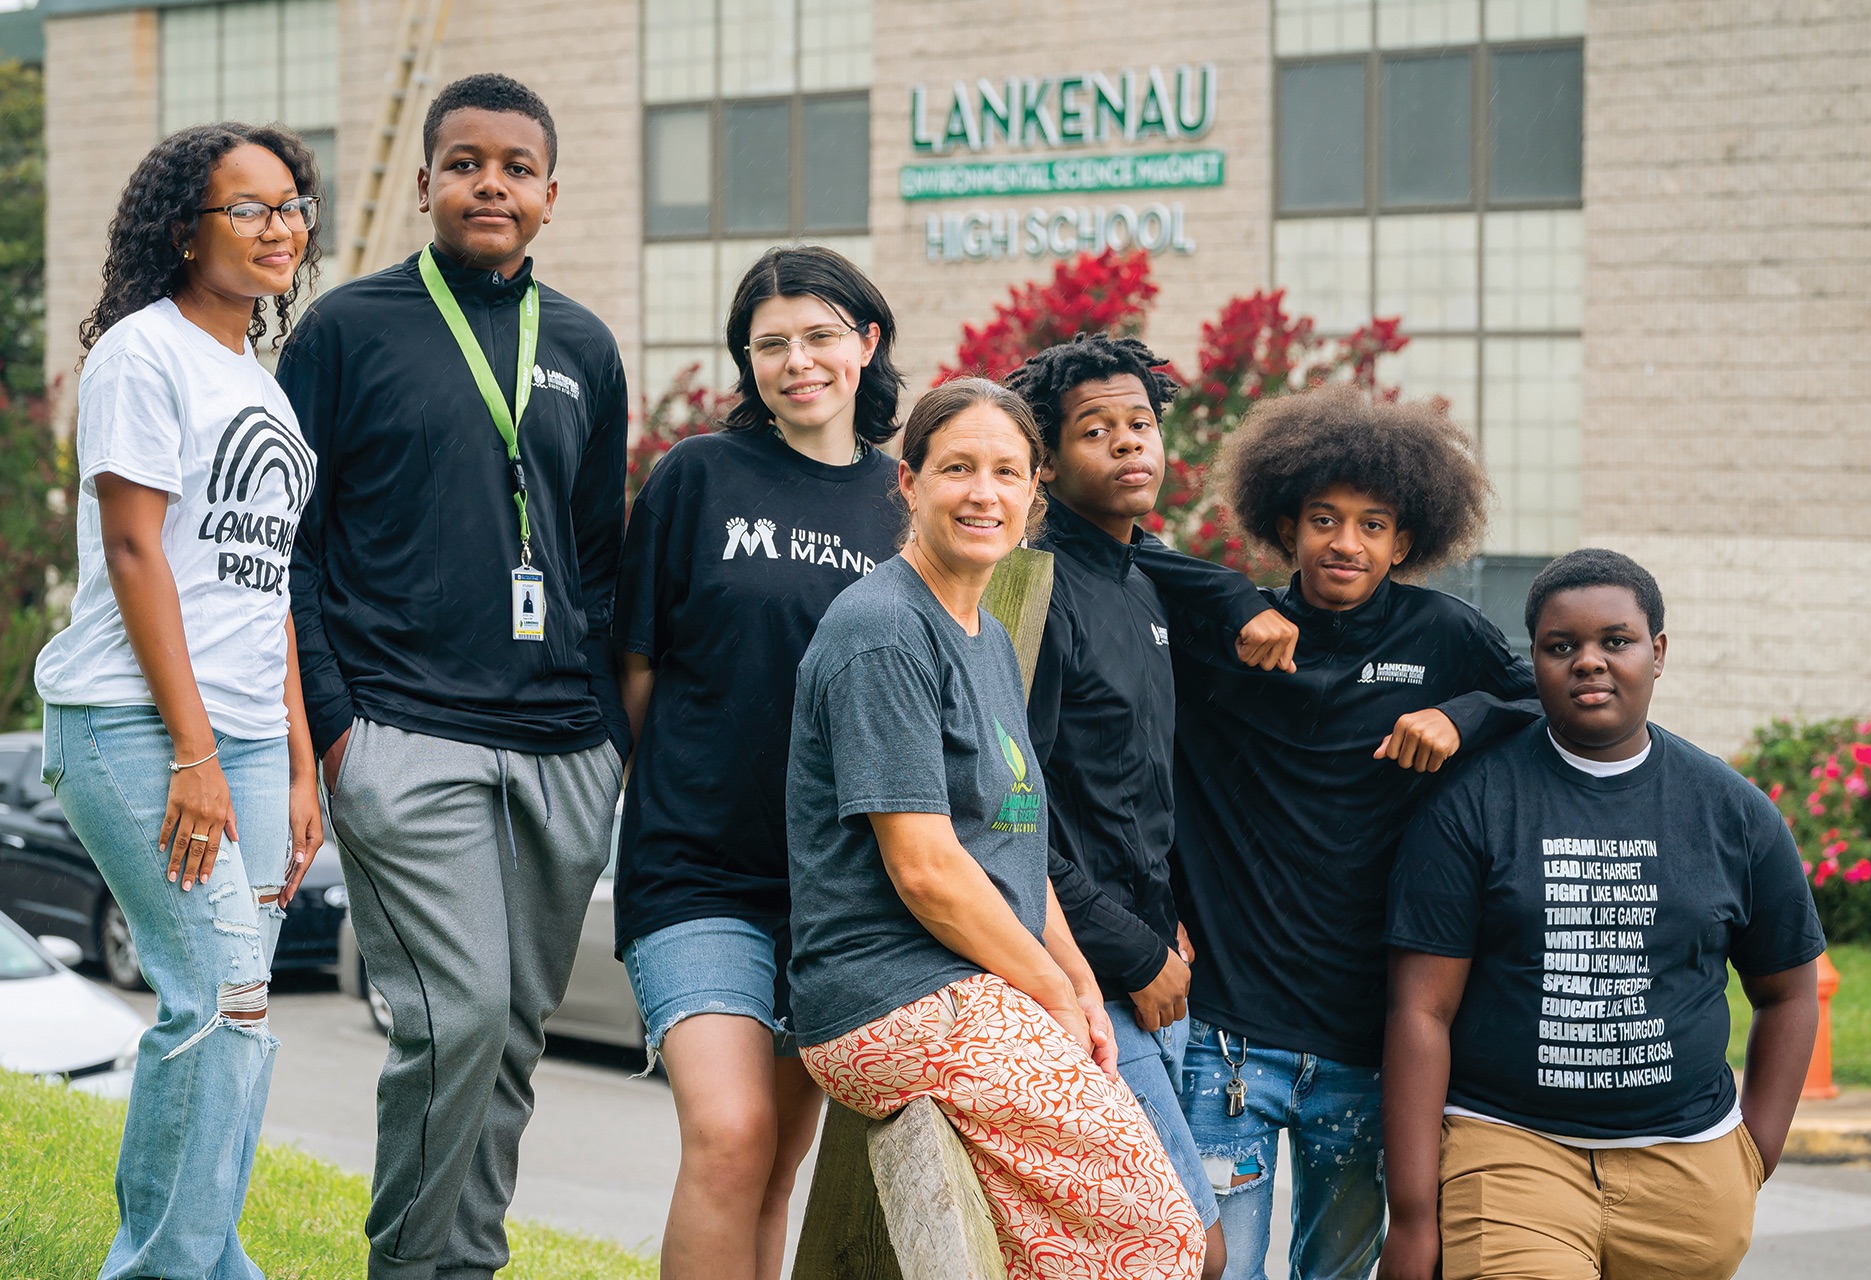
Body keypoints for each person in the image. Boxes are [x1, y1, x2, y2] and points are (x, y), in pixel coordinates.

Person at [278, 74, 628, 1280]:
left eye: (516, 167)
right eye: (466, 163)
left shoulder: (583, 343)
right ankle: (408, 1265)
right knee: (457, 1013)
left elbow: (598, 557)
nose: (491, 184)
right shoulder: (346, 330)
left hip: (564, 743)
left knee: (512, 1033)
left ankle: (465, 1263)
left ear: (549, 195)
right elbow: (291, 547)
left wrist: (610, 735)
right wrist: (337, 725)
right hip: (403, 730)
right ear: (425, 182)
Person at [787, 378, 1206, 1279]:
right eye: (957, 469)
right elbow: (928, 870)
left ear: (1033, 493)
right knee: (1161, 1234)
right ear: (909, 483)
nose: (984, 493)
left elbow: (1013, 844)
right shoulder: (883, 631)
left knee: (1054, 1252)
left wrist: (1079, 984)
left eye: (1007, 472)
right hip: (894, 997)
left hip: (972, 988)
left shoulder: (981, 633)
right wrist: (1049, 994)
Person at [1157, 388, 1539, 1280]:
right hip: (1228, 1039)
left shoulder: (1444, 636)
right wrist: (1229, 596)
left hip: (1369, 1049)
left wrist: (1462, 714)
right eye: (1324, 519)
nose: (1346, 543)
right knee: (1212, 1269)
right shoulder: (1226, 633)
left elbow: (1543, 702)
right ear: (1286, 526)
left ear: (1404, 543)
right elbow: (1107, 550)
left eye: (1373, 526)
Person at [33, 122, 326, 1280]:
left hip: (249, 738)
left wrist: (297, 763)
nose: (278, 226)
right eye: (248, 207)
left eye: (291, 204)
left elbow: (268, 589)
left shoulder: (261, 386)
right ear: (183, 230)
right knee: (214, 995)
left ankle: (208, 1255)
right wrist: (197, 753)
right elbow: (133, 549)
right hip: (136, 723)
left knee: (240, 1013)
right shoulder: (141, 354)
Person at [1380, 549, 1823, 1280]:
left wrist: (1753, 1153)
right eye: (1561, 646)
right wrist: (1412, 1215)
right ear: (1534, 661)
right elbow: (1421, 1011)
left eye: (1616, 641)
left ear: (1658, 653)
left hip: (1687, 1169)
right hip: (1511, 1150)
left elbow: (1789, 991)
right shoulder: (1473, 804)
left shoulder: (1732, 811)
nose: (1589, 661)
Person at [612, 244, 904, 1279]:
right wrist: (684, 790)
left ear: (867, 343)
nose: (798, 361)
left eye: (820, 336)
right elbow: (636, 668)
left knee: (777, 1161)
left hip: (838, 890)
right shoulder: (699, 476)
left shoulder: (905, 503)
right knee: (729, 1136)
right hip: (696, 870)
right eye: (770, 344)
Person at [1006, 333, 1243, 1279]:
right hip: (1089, 974)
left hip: (1160, 965)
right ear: (1048, 461)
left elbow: (1142, 787)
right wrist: (1131, 951)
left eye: (1139, 424)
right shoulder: (1033, 588)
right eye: (1095, 430)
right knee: (1192, 1248)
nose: (1128, 443)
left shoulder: (1144, 580)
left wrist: (1166, 923)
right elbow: (1013, 814)